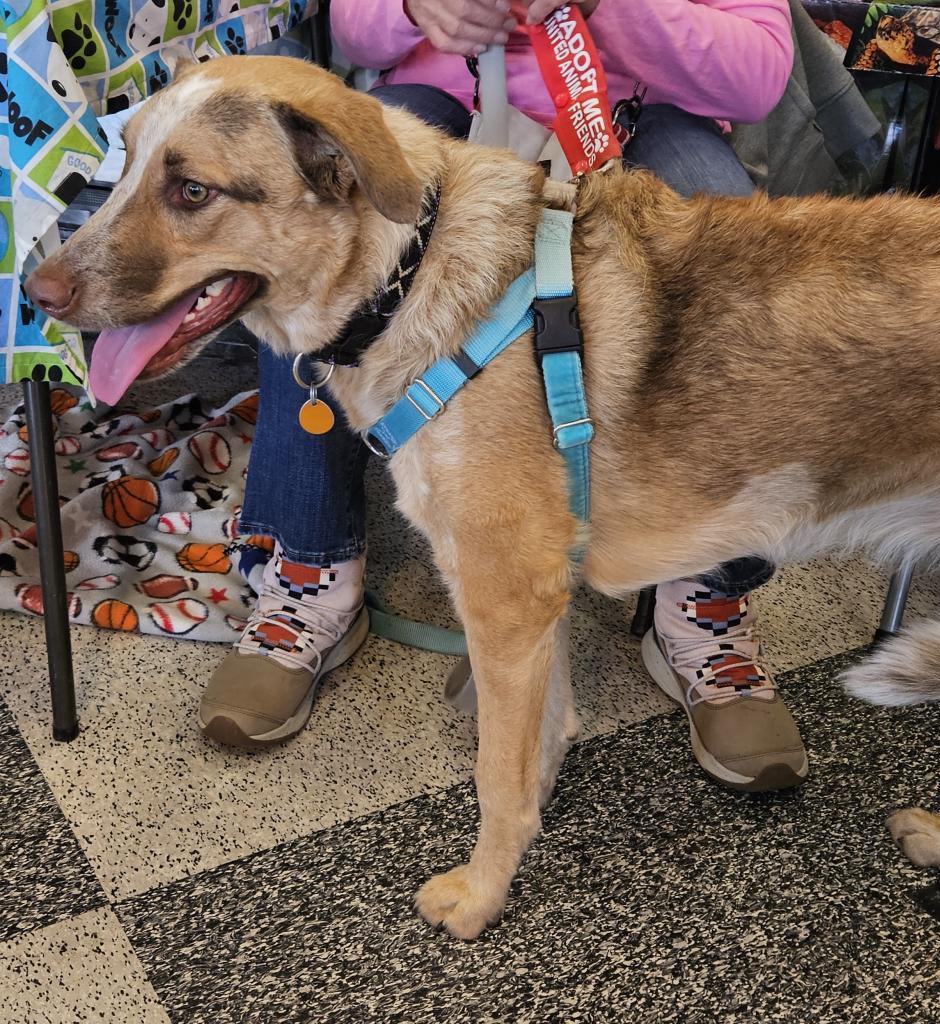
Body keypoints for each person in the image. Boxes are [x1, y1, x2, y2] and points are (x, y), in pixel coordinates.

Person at [199, 0, 809, 792]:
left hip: (642, 113)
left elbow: (757, 78)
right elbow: (352, 27)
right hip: (437, 106)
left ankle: (707, 600)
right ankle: (309, 571)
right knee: (310, 235)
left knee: (738, 266)